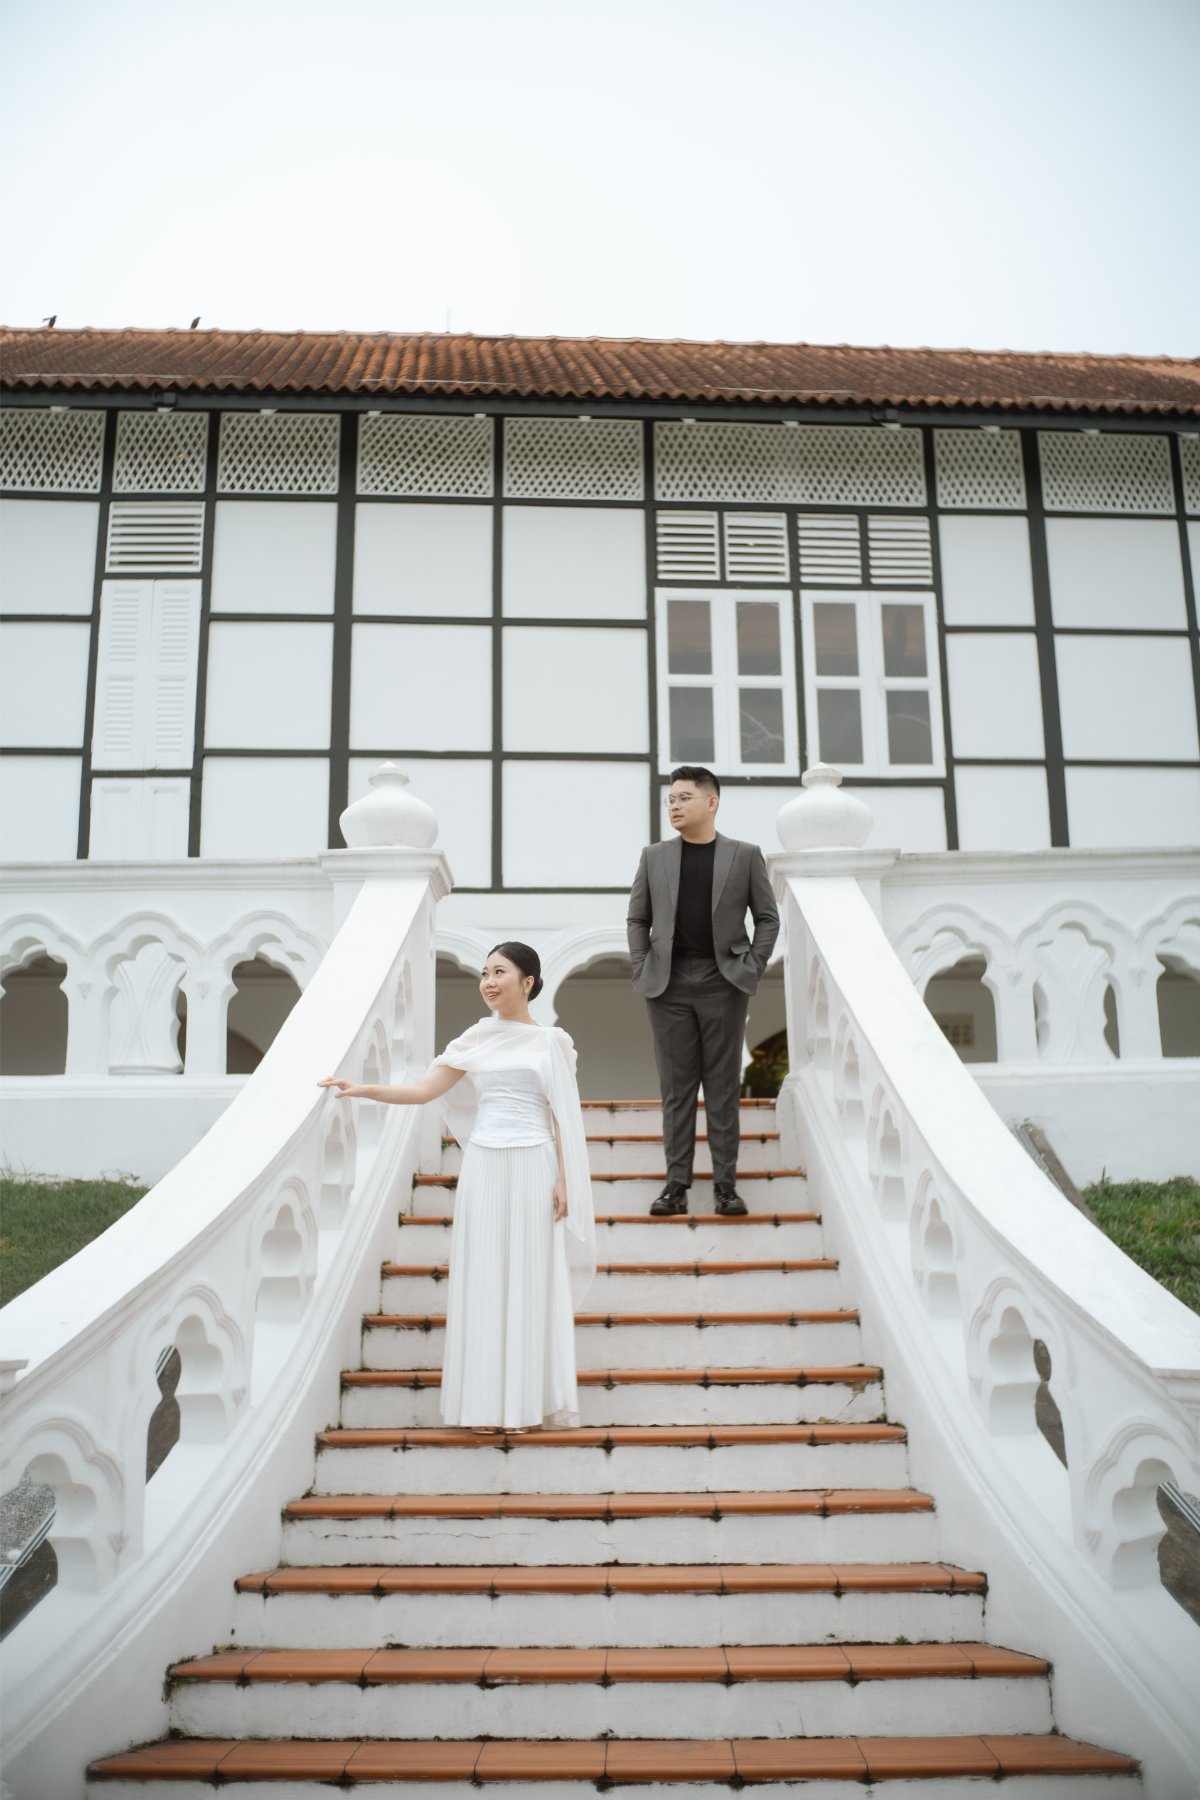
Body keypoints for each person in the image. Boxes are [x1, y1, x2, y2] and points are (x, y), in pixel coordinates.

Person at [319, 942, 594, 1433]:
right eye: (484, 973)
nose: (488, 982)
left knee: (528, 1280)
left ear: (527, 982)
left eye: (499, 972)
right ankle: (485, 1407)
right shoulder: (474, 1038)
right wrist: (361, 1089)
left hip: (535, 1163)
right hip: (485, 1165)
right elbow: (423, 1091)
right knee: (484, 1278)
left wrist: (564, 1180)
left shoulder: (551, 1042)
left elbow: (562, 1116)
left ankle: (525, 1405)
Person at [627, 767, 780, 1217]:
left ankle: (725, 1187)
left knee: (722, 1086)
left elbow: (767, 918)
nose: (674, 806)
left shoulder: (745, 855)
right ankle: (676, 1186)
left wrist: (751, 967)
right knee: (677, 1089)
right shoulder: (654, 857)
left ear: (711, 802)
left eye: (684, 798)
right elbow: (637, 918)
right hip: (667, 983)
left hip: (724, 981)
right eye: (670, 799)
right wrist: (642, 964)